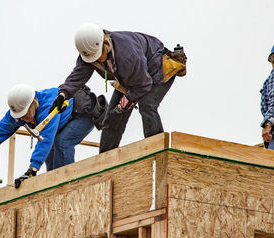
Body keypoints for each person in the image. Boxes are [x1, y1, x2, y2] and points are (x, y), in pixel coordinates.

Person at [49, 22, 186, 153]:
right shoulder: (88, 52)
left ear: (104, 43)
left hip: (156, 67)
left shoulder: (127, 53)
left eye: (98, 56)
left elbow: (143, 85)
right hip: (129, 76)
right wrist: (63, 94)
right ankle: (104, 162)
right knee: (112, 117)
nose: (97, 60)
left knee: (147, 105)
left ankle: (156, 150)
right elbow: (78, 76)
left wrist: (124, 104)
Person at [0, 84, 106, 188]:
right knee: (50, 154)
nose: (24, 119)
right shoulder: (19, 109)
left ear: (33, 104)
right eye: (20, 117)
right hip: (65, 121)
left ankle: (68, 186)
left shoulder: (48, 105)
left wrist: (32, 170)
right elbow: (2, 128)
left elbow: (46, 139)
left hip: (83, 114)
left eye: (25, 115)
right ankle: (54, 187)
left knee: (62, 142)